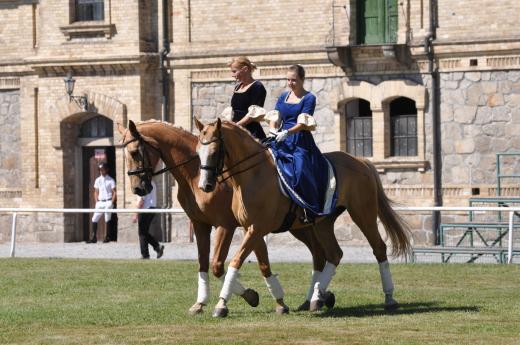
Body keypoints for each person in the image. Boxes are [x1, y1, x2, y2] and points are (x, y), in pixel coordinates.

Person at [268, 65, 337, 220]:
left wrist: (287, 132)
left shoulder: (309, 98)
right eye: (288, 80)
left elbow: (304, 122)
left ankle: (307, 208)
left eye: (294, 80)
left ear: (302, 80)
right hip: (279, 137)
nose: (290, 83)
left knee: (300, 169)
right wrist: (273, 130)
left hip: (299, 139)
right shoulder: (283, 96)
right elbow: (276, 116)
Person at [225, 56, 267, 140]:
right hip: (236, 130)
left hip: (251, 133)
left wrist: (237, 126)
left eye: (234, 71)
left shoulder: (257, 87)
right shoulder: (237, 87)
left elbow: (252, 114)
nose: (232, 75)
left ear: (245, 69)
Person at [132, 180, 164, 259]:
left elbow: (141, 200)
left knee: (142, 233)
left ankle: (145, 254)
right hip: (152, 208)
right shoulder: (152, 182)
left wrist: (135, 214)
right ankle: (157, 247)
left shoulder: (142, 183)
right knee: (144, 232)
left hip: (145, 209)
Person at [88, 162, 117, 243]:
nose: (102, 171)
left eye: (103, 170)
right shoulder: (97, 180)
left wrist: (112, 202)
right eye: (100, 170)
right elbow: (96, 191)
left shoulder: (111, 180)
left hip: (108, 201)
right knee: (94, 218)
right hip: (100, 202)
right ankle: (94, 237)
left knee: (107, 218)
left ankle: (107, 237)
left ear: (106, 170)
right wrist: (96, 201)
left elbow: (114, 192)